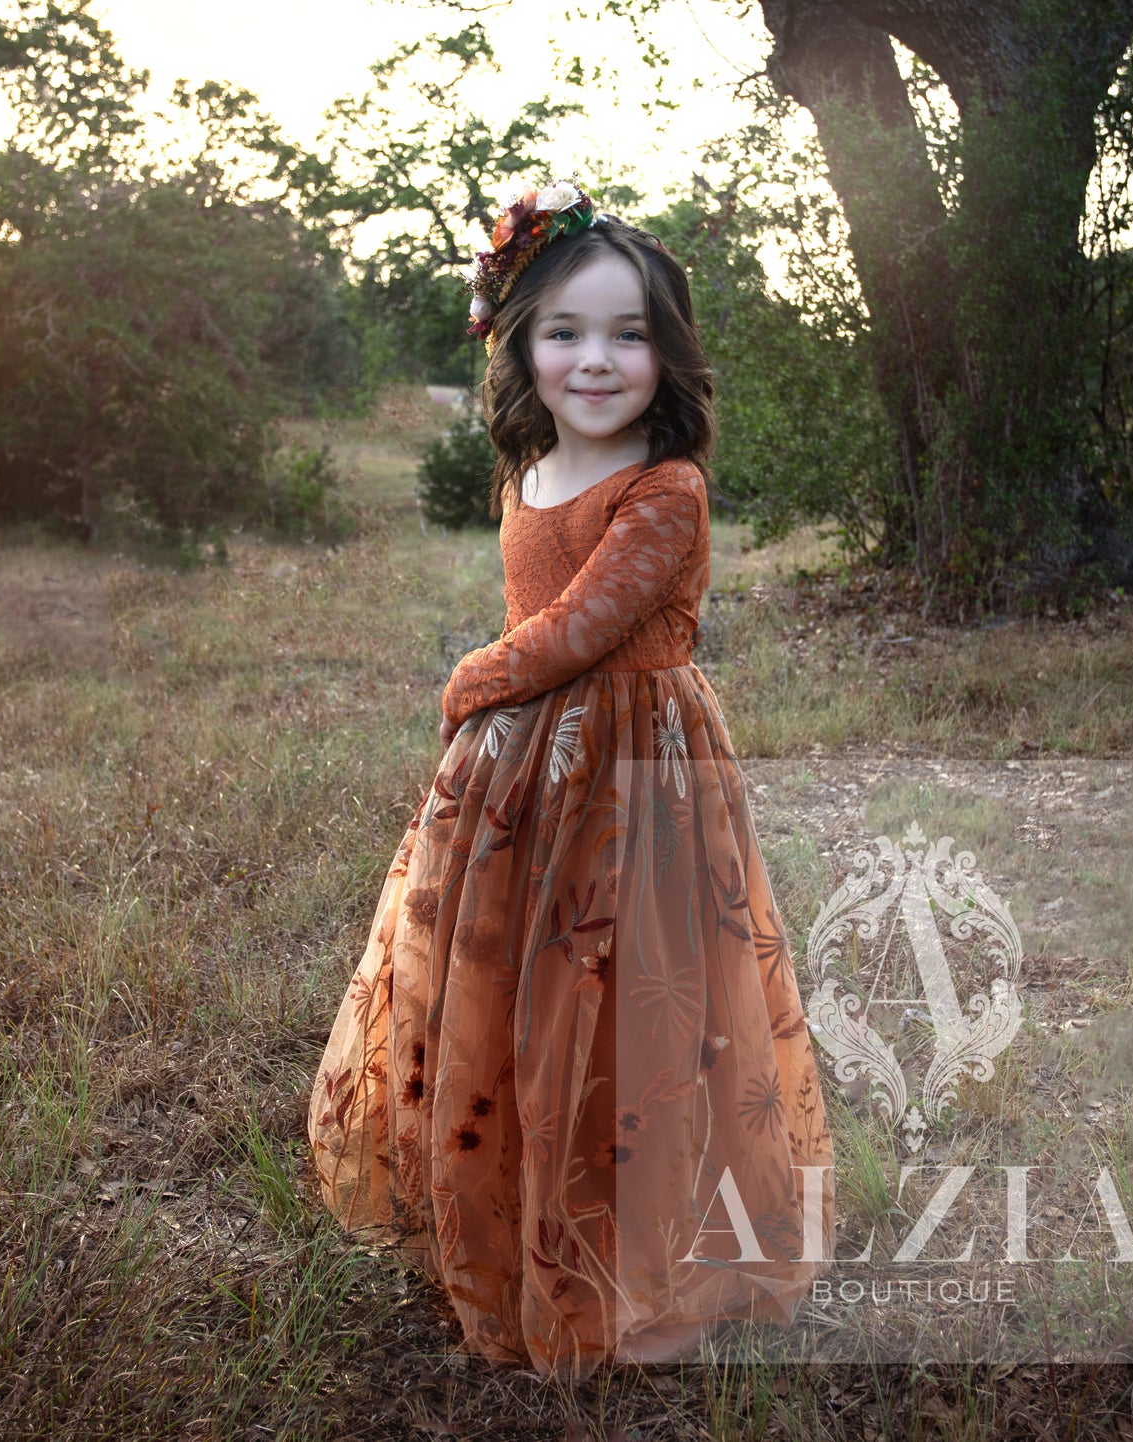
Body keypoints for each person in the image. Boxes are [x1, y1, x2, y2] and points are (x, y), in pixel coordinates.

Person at [307, 179, 834, 1378]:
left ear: (667, 349)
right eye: (565, 331)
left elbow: (578, 628)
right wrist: (490, 726)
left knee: (638, 1003)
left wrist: (465, 684)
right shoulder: (531, 468)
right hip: (516, 783)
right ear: (517, 340)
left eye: (628, 333)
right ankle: (505, 1213)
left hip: (634, 774)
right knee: (514, 996)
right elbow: (532, 608)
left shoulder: (665, 487)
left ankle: (664, 1267)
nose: (596, 360)